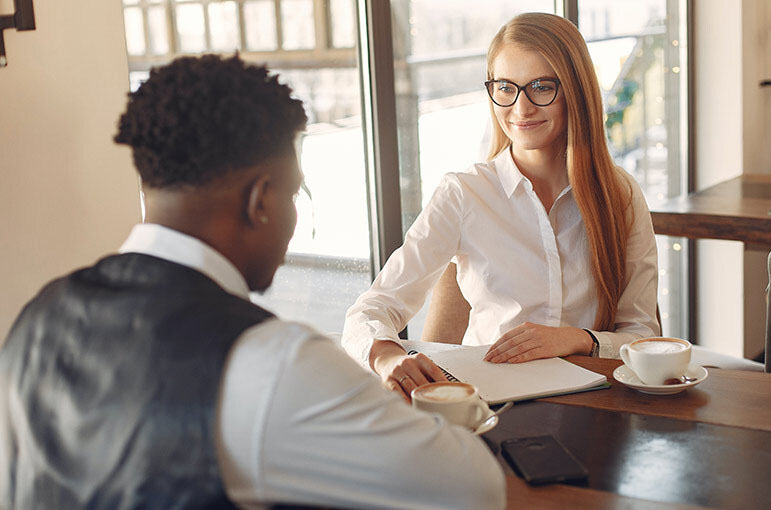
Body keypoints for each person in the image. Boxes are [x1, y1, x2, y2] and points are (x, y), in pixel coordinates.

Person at [0, 55, 505, 509]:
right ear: (259, 200)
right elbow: (474, 487)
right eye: (295, 193)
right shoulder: (273, 360)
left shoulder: (37, 317)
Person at [342, 13, 660, 400]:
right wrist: (388, 356)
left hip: (597, 405)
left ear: (576, 91)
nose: (521, 108)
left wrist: (575, 340)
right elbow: (370, 310)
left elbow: (643, 334)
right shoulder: (464, 195)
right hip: (490, 405)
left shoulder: (620, 195)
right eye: (506, 87)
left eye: (542, 87)